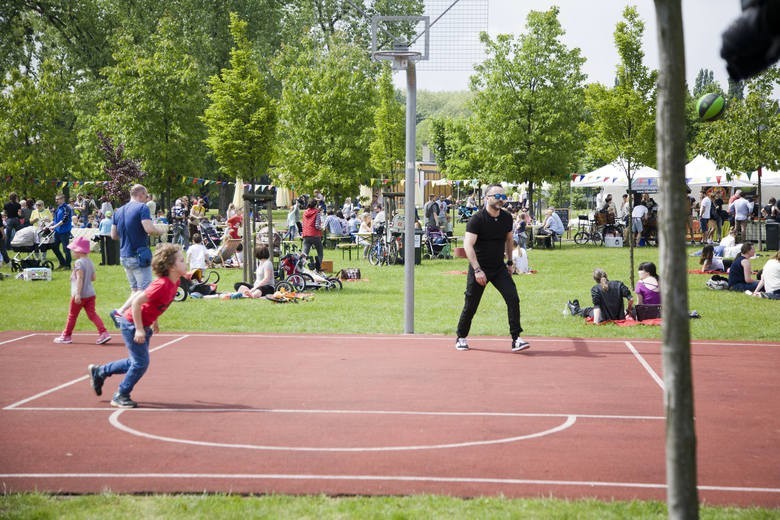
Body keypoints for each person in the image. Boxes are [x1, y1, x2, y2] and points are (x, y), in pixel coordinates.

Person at [88, 243, 185, 408]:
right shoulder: (160, 285)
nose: (185, 263)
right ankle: (121, 394)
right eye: (181, 260)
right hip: (132, 323)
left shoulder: (174, 282)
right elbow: (137, 302)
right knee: (141, 363)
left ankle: (100, 371)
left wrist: (155, 321)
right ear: (171, 266)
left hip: (144, 324)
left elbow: (155, 305)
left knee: (136, 361)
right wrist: (139, 329)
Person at [455, 184, 529, 352]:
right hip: (479, 268)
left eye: (503, 196)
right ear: (486, 198)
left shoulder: (506, 218)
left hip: (498, 268)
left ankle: (516, 339)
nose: (500, 199)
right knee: (471, 304)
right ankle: (461, 337)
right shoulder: (477, 219)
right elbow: (468, 245)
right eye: (497, 196)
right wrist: (477, 270)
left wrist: (510, 263)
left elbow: (509, 240)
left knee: (513, 298)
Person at [110, 184, 162, 326]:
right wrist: (160, 231)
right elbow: (149, 229)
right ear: (141, 194)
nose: (146, 199)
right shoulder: (142, 208)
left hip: (124, 254)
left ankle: (128, 319)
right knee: (145, 291)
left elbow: (113, 235)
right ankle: (120, 312)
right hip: (138, 255)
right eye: (146, 196)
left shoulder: (118, 211)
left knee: (135, 290)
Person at [53, 236, 111, 345]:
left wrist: (78, 294)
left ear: (79, 251)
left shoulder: (78, 263)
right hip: (90, 294)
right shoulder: (90, 262)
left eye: (74, 250)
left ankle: (66, 335)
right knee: (92, 314)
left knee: (72, 315)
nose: (73, 252)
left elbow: (80, 278)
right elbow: (93, 278)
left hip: (79, 294)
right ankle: (104, 333)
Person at [568, 269, 633, 324]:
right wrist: (628, 310)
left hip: (603, 318)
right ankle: (576, 309)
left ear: (595, 279)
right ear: (606, 275)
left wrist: (596, 323)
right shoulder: (619, 284)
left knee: (587, 310)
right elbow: (631, 299)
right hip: (619, 317)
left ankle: (575, 310)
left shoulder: (595, 289)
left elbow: (597, 307)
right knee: (589, 310)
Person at [49, 193, 74, 270]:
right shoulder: (58, 208)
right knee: (54, 247)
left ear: (63, 199)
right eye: (56, 199)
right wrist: (49, 225)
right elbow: (55, 220)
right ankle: (62, 263)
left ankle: (68, 265)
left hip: (64, 232)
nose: (56, 201)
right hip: (57, 232)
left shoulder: (67, 208)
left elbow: (64, 220)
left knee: (66, 249)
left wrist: (54, 226)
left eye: (58, 199)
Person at [301, 199, 324, 271]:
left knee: (304, 254)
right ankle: (317, 267)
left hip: (306, 235)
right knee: (320, 252)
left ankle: (301, 268)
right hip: (315, 235)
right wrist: (322, 228)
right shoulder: (317, 212)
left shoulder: (305, 212)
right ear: (315, 205)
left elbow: (303, 224)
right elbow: (317, 225)